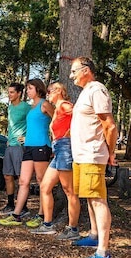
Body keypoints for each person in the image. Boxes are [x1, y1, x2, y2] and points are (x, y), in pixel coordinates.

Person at [69, 57, 117, 258]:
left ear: (86, 70)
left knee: (98, 200)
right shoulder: (85, 92)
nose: (71, 76)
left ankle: (103, 253)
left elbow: (110, 126)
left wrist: (111, 153)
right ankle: (94, 234)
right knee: (89, 197)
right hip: (81, 156)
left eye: (74, 71)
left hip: (92, 154)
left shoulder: (97, 90)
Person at [0, 78, 53, 227]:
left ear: (38, 89)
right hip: (28, 147)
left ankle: (42, 215)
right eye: (27, 88)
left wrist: (55, 141)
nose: (27, 91)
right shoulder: (31, 106)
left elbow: (57, 120)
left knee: (42, 182)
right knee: (23, 181)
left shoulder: (45, 104)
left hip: (41, 145)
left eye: (30, 88)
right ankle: (16, 214)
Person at [30, 82, 81, 240]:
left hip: (65, 148)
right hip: (58, 149)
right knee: (45, 186)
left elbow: (80, 118)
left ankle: (73, 229)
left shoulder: (65, 105)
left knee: (69, 191)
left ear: (59, 91)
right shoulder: (58, 108)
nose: (48, 93)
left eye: (50, 91)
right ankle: (47, 225)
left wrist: (69, 134)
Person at [0, 83, 31, 216]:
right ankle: (10, 204)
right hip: (9, 145)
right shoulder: (10, 107)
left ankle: (24, 207)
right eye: (8, 92)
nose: (9, 95)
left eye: (11, 92)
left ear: (19, 93)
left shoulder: (26, 107)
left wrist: (27, 137)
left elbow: (34, 122)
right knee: (7, 176)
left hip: (19, 147)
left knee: (22, 177)